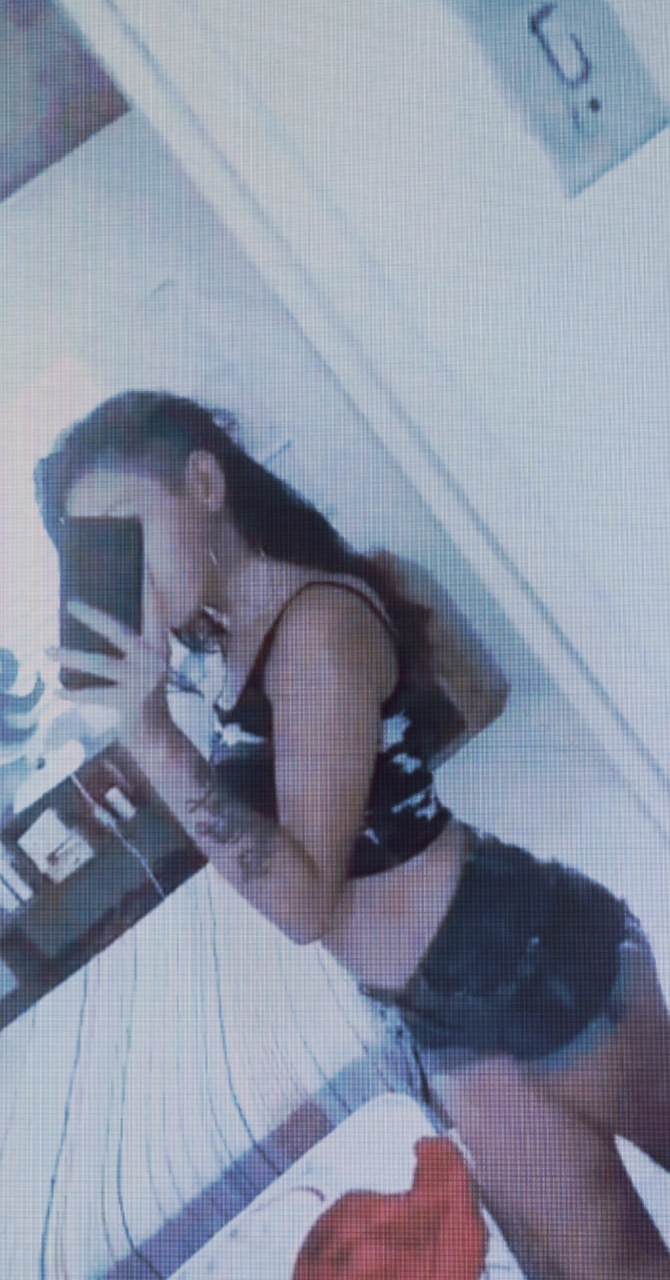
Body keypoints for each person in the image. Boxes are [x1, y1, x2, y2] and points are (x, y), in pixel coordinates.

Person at [35, 392, 670, 1279]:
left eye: (125, 527)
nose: (124, 566)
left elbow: (300, 904)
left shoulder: (317, 630)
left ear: (205, 483)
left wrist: (149, 733)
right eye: (97, 551)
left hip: (524, 959)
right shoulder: (232, 645)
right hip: (441, 1002)